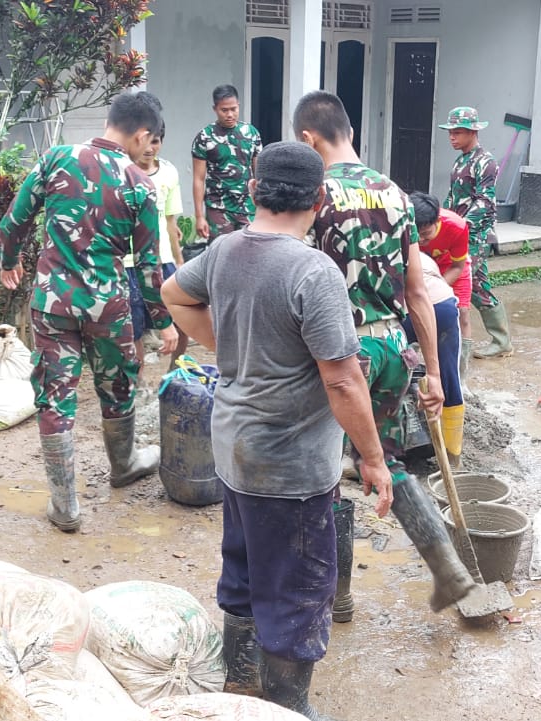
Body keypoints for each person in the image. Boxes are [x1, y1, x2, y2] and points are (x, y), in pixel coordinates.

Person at [161, 141, 391, 721]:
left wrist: (228, 345)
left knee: (243, 569)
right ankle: (286, 705)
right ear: (318, 197)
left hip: (234, 451)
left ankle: (239, 688)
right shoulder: (314, 271)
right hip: (291, 466)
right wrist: (373, 458)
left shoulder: (225, 250)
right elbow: (342, 382)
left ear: (256, 189)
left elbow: (173, 293)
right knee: (297, 589)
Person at [294, 91, 477, 618]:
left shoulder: (315, 194)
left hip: (340, 351)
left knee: (327, 468)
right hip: (395, 348)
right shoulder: (394, 192)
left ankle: (339, 594)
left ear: (309, 139)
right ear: (349, 130)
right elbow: (419, 292)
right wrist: (435, 372)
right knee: (388, 461)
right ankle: (448, 570)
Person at [0, 91, 180, 533]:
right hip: (109, 305)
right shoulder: (141, 183)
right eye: (150, 140)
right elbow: (150, 266)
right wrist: (163, 322)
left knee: (55, 395)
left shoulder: (56, 158)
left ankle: (65, 505)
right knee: (118, 384)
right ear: (141, 135)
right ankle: (124, 464)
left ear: (108, 120)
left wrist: (9, 260)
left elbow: (12, 223)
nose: (149, 148)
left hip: (53, 301)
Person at [441, 106, 512, 359]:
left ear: (473, 132)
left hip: (475, 235)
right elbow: (453, 198)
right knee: (467, 283)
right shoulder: (461, 160)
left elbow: (484, 202)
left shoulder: (485, 162)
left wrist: (461, 227)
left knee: (475, 285)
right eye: (450, 132)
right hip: (458, 232)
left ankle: (501, 340)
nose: (452, 137)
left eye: (458, 132)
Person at [126, 123, 186, 373]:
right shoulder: (122, 172)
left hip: (163, 259)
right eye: (146, 141)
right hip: (130, 261)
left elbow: (171, 222)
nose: (150, 148)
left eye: (156, 141)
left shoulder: (169, 172)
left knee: (182, 316)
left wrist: (179, 260)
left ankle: (176, 371)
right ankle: (138, 381)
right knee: (135, 324)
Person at [404, 246, 466, 466]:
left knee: (388, 372)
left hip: (405, 312)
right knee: (450, 378)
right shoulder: (422, 256)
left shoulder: (378, 252)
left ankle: (382, 453)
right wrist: (433, 372)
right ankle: (452, 456)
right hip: (443, 306)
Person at [190, 84, 262, 256]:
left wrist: (262, 208)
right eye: (224, 110)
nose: (230, 114)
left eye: (233, 109)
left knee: (250, 255)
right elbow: (198, 179)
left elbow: (259, 175)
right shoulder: (205, 137)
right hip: (218, 208)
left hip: (247, 207)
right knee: (220, 256)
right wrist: (199, 216)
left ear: (239, 106)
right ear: (215, 109)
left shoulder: (251, 133)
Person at [409, 192, 473, 377]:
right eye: (416, 234)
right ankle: (409, 368)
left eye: (426, 234)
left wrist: (437, 290)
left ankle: (461, 378)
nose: (421, 240)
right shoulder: (400, 224)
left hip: (450, 267)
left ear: (437, 221)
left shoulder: (457, 227)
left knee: (462, 313)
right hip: (416, 267)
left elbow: (458, 266)